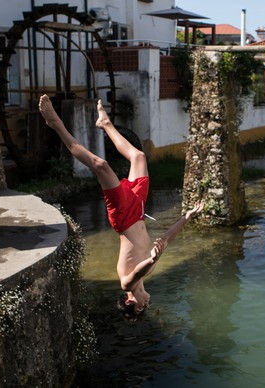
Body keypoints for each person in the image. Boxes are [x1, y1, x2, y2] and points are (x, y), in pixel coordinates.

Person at [38, 94, 204, 321]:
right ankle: (106, 124)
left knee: (100, 165)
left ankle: (55, 124)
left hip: (124, 218)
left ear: (129, 301)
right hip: (138, 210)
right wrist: (187, 217)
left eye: (139, 308)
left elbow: (138, 271)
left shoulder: (127, 280)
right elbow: (165, 239)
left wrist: (153, 259)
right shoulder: (150, 271)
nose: (146, 305)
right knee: (138, 157)